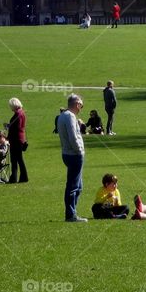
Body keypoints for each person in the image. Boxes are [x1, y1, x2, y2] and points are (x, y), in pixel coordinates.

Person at [56, 93, 86, 222]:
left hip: (67, 153)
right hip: (74, 154)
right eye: (81, 106)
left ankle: (72, 212)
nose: (81, 109)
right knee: (73, 186)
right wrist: (79, 150)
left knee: (78, 185)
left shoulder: (63, 116)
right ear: (77, 104)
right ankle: (71, 214)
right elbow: (73, 137)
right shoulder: (70, 117)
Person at [7, 97, 28, 183]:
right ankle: (17, 177)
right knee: (17, 159)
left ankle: (18, 177)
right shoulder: (21, 112)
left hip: (16, 139)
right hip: (20, 138)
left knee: (16, 159)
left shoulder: (18, 114)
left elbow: (17, 127)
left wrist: (9, 127)